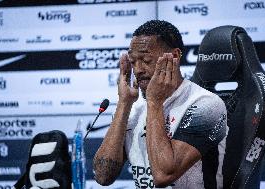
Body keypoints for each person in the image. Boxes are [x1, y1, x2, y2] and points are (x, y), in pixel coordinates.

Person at [93, 20, 227, 189]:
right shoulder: (132, 108)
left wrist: (155, 103)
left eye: (146, 60)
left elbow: (164, 175)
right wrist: (123, 104)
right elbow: (103, 176)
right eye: (133, 61)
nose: (138, 69)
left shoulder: (206, 105)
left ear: (175, 56)